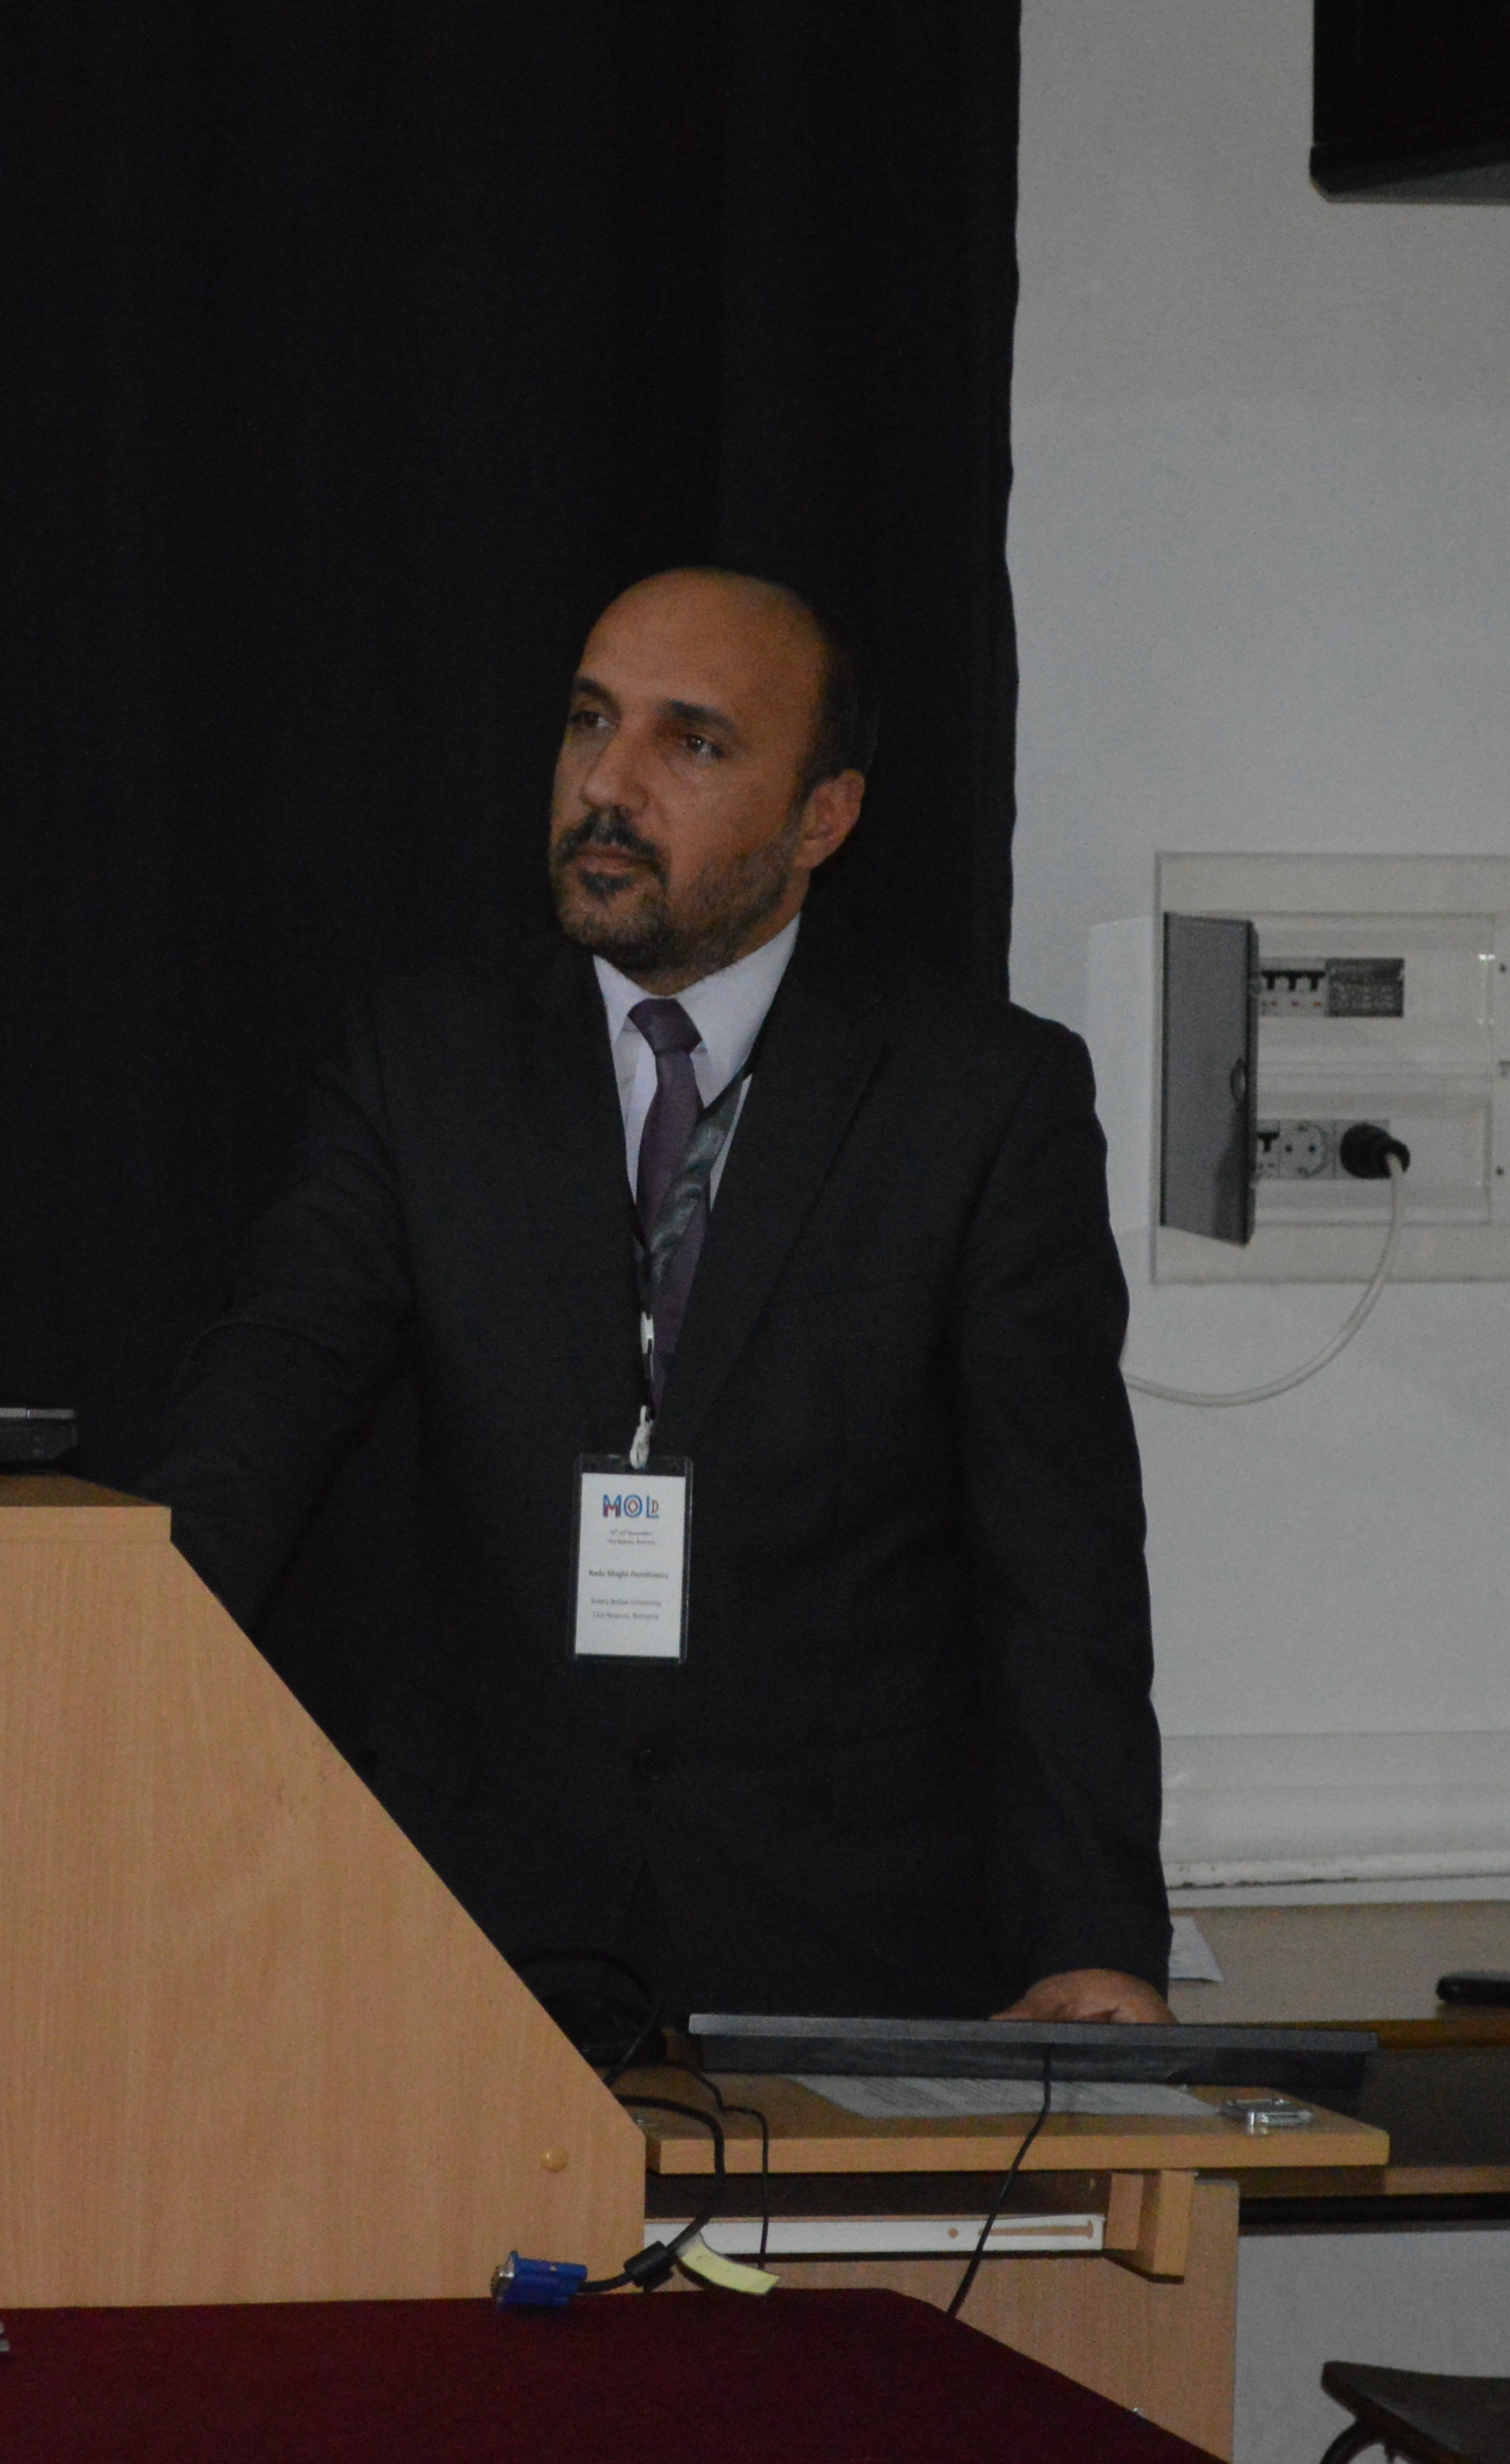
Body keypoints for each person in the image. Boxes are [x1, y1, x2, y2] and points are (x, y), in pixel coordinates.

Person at [149, 567, 1168, 2025]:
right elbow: (255, 1425)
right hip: (474, 1937)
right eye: (589, 722)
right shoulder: (425, 1067)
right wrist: (86, 1718)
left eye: (691, 743)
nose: (607, 786)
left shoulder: (980, 1101)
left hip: (848, 1947)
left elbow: (1060, 1562)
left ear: (823, 818)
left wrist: (1095, 1935)